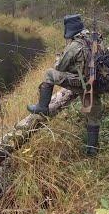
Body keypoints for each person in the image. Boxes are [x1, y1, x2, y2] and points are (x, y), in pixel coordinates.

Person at [26, 14, 102, 156]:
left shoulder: (74, 45)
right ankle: (92, 150)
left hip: (83, 83)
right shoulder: (94, 39)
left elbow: (60, 68)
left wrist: (57, 58)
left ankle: (42, 107)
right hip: (97, 81)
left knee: (49, 73)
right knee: (93, 115)